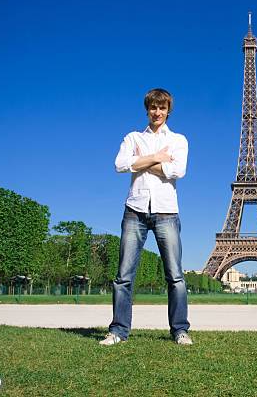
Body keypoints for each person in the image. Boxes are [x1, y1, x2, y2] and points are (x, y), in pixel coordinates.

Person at [100, 88, 192, 346]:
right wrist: (156, 158)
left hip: (166, 211)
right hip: (135, 210)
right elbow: (119, 164)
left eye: (162, 108)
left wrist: (139, 161)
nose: (157, 112)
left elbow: (178, 170)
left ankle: (180, 330)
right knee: (123, 276)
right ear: (147, 109)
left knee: (175, 276)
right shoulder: (132, 137)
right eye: (153, 107)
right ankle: (118, 331)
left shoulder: (179, 140)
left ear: (168, 111)